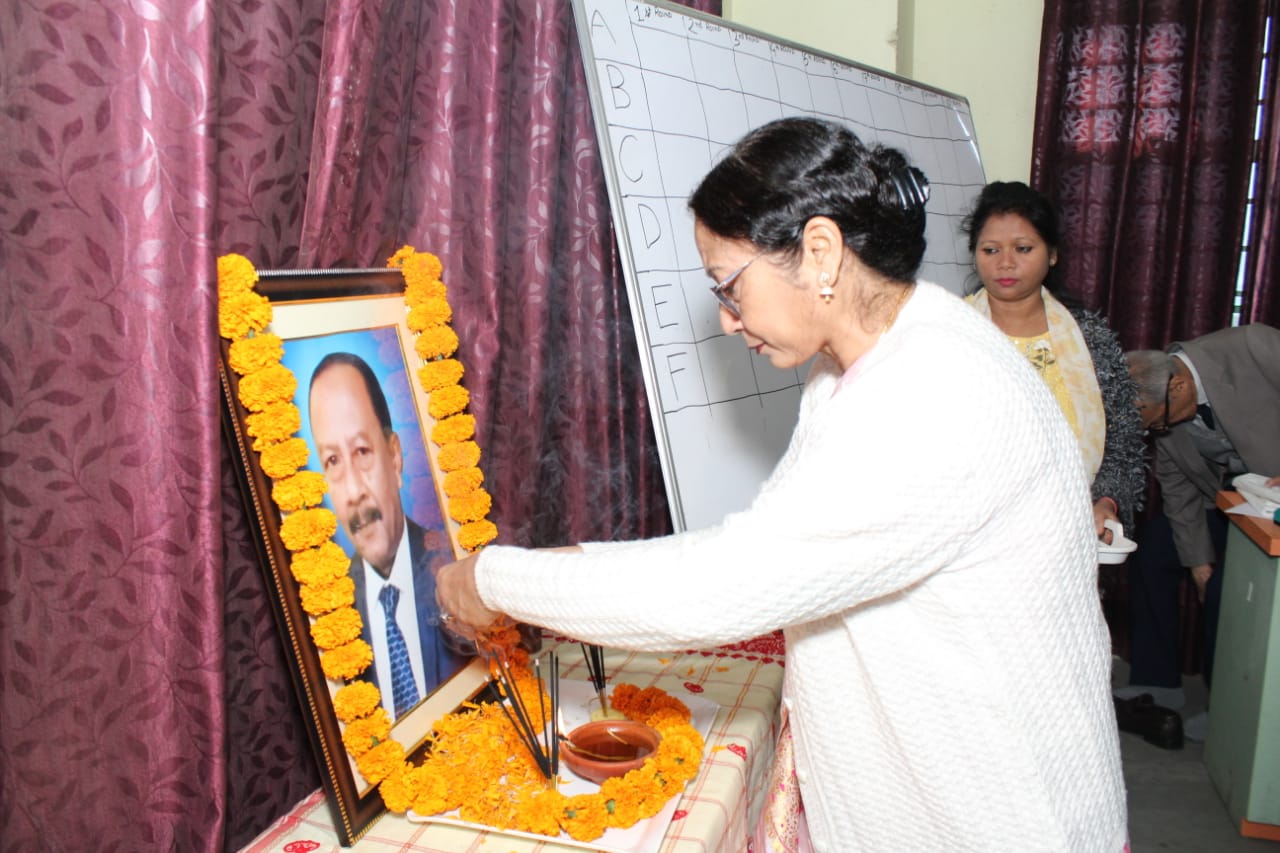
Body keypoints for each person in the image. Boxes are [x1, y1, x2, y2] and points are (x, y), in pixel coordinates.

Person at [437, 117, 1127, 851]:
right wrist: (566, 565)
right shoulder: (868, 355)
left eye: (730, 286)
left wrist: (496, 580)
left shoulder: (931, 396)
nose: (727, 321)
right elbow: (778, 540)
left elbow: (721, 585)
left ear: (820, 251)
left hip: (998, 817)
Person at [961, 181, 1146, 535]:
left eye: (1023, 248)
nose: (1005, 263)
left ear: (1052, 254)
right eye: (990, 250)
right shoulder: (949, 330)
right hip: (970, 532)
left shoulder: (1090, 339)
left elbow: (1123, 442)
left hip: (1068, 528)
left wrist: (1107, 502)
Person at [1123, 324, 1280, 728]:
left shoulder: (1252, 347)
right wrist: (1198, 564)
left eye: (1158, 424)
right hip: (1227, 502)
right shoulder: (1162, 404)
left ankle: (1225, 709)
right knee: (1152, 550)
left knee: (1227, 588)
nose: (1158, 432)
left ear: (1178, 388)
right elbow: (1177, 486)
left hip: (1272, 505)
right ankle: (1157, 682)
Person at [308, 352, 469, 721]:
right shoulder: (326, 618)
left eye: (362, 452)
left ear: (394, 457)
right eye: (333, 461)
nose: (353, 492)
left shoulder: (454, 566)